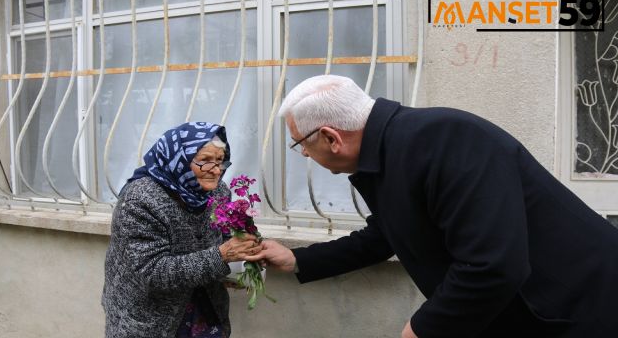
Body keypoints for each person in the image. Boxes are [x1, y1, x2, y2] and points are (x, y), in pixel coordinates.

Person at [248, 75, 618, 338]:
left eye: (301, 146)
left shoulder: (447, 139)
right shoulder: (392, 151)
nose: (305, 158)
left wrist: (423, 328)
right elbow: (384, 236)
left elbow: (493, 265)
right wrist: (299, 260)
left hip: (581, 309)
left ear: (331, 137)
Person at [102, 122, 261, 338]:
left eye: (220, 161)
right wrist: (223, 256)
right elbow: (152, 271)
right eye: (205, 161)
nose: (216, 170)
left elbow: (223, 239)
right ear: (178, 159)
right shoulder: (140, 199)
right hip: (152, 316)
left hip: (205, 307)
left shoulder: (217, 192)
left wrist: (242, 261)